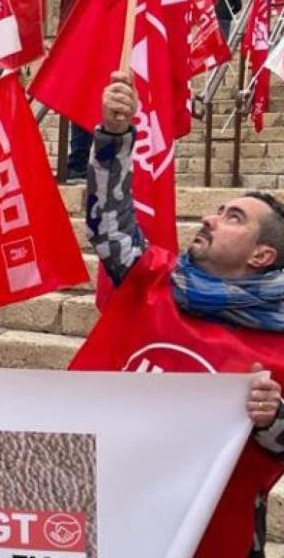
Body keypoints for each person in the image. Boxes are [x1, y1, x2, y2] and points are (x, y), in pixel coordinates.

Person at [72, 72, 284, 557]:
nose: (210, 217)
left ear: (261, 256)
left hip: (210, 535)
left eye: (234, 218)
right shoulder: (154, 276)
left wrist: (271, 418)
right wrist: (115, 137)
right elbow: (108, 221)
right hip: (112, 511)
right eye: (219, 208)